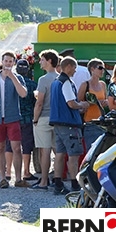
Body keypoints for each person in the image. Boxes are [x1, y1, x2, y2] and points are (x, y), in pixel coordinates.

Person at [0, 51, 29, 189]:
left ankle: (18, 178)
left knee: (16, 148)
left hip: (13, 117)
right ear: (2, 62)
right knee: (0, 147)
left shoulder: (18, 78)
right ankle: (3, 178)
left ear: (14, 63)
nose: (8, 64)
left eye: (11, 61)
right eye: (6, 61)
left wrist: (13, 77)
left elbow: (23, 94)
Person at [50, 56, 89, 195]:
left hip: (58, 123)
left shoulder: (56, 82)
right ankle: (75, 184)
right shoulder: (66, 82)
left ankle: (58, 183)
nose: (75, 71)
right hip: (69, 124)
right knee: (74, 155)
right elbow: (71, 103)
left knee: (60, 154)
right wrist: (82, 105)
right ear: (68, 67)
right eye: (74, 67)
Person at [31, 49, 59, 190]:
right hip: (58, 118)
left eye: (42, 59)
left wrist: (35, 119)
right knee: (57, 150)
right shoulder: (61, 78)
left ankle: (43, 181)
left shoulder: (43, 79)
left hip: (44, 118)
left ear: (49, 61)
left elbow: (39, 102)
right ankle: (58, 179)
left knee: (45, 151)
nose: (40, 62)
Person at [8, 59, 37, 182]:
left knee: (10, 145)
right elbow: (36, 102)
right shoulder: (33, 85)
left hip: (13, 117)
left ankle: (8, 171)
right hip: (27, 118)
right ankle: (26, 171)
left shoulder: (11, 82)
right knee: (26, 145)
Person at [77, 58, 108, 148]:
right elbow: (78, 103)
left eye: (103, 68)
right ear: (92, 69)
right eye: (100, 68)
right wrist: (91, 103)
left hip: (101, 122)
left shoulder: (103, 84)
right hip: (89, 122)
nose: (102, 71)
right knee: (91, 150)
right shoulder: (85, 85)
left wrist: (105, 102)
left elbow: (105, 99)